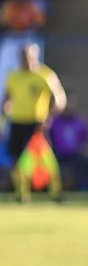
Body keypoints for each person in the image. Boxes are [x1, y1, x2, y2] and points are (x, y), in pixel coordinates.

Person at [3, 42, 67, 202]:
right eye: (23, 57)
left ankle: (55, 192)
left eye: (29, 57)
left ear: (35, 57)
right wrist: (5, 110)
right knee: (17, 159)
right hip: (17, 121)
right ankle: (22, 194)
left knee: (46, 158)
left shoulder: (45, 75)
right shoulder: (14, 76)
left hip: (37, 123)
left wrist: (48, 117)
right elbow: (7, 98)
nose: (27, 61)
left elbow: (60, 100)